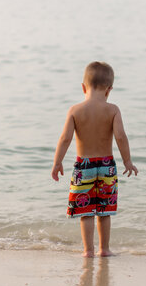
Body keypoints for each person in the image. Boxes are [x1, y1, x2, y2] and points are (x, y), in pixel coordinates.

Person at [51, 61, 138, 258]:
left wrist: (57, 163)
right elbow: (121, 137)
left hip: (84, 166)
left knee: (86, 211)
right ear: (109, 90)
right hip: (107, 166)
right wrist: (128, 161)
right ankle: (104, 249)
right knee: (104, 211)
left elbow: (65, 139)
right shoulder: (113, 110)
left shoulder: (75, 110)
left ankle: (88, 250)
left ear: (83, 87)